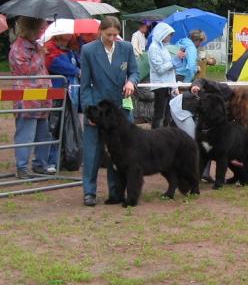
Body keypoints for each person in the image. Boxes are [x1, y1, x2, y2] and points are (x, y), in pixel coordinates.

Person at [80, 16, 139, 206]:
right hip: (98, 109)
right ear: (100, 32)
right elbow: (85, 85)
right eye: (108, 34)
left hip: (120, 110)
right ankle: (89, 192)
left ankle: (116, 192)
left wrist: (131, 82)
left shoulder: (127, 48)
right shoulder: (88, 50)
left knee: (120, 152)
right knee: (92, 152)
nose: (112, 38)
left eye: (116, 34)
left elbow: (135, 72)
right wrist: (89, 110)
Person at [9, 16, 55, 178]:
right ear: (31, 28)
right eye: (42, 28)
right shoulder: (18, 48)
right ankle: (22, 168)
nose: (44, 31)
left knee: (44, 133)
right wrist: (40, 55)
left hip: (42, 98)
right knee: (26, 135)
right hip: (27, 99)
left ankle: (40, 164)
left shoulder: (37, 46)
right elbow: (26, 70)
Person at [44, 31, 82, 171]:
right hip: (57, 97)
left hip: (72, 95)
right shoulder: (50, 49)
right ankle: (51, 161)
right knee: (54, 128)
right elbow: (55, 64)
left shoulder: (71, 50)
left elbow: (78, 65)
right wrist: (76, 70)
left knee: (70, 129)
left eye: (69, 36)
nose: (67, 39)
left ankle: (66, 159)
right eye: (64, 36)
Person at [148, 22, 184, 129]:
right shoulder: (154, 48)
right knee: (159, 114)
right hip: (160, 86)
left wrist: (174, 86)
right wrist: (174, 61)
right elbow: (159, 69)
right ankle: (155, 137)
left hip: (167, 85)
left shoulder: (164, 48)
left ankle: (165, 136)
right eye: (169, 34)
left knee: (168, 114)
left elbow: (170, 69)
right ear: (162, 34)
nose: (170, 37)